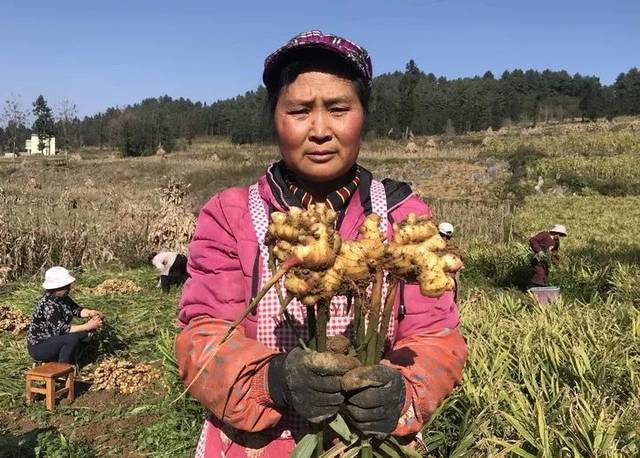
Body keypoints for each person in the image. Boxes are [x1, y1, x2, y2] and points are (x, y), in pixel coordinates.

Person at [175, 30, 467, 457]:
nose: (319, 131)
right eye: (298, 110)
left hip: (372, 441)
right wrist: (271, 380)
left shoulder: (404, 216)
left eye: (338, 109)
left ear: (363, 115)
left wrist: (404, 391)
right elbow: (201, 335)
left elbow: (436, 335)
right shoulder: (229, 215)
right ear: (274, 118)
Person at [27, 267, 103, 364]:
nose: (69, 289)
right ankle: (63, 369)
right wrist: (88, 326)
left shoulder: (63, 298)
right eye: (66, 287)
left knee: (84, 335)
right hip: (40, 346)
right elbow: (63, 330)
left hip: (55, 339)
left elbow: (76, 310)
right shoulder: (49, 305)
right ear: (55, 288)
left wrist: (90, 313)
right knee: (71, 339)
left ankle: (74, 358)